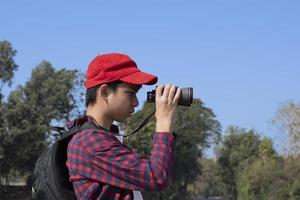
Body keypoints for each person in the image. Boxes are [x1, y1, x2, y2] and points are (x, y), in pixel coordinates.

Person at [66, 53, 181, 200]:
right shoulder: (90, 142)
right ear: (105, 92)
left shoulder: (103, 138)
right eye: (130, 93)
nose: (136, 102)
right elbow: (156, 177)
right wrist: (164, 121)